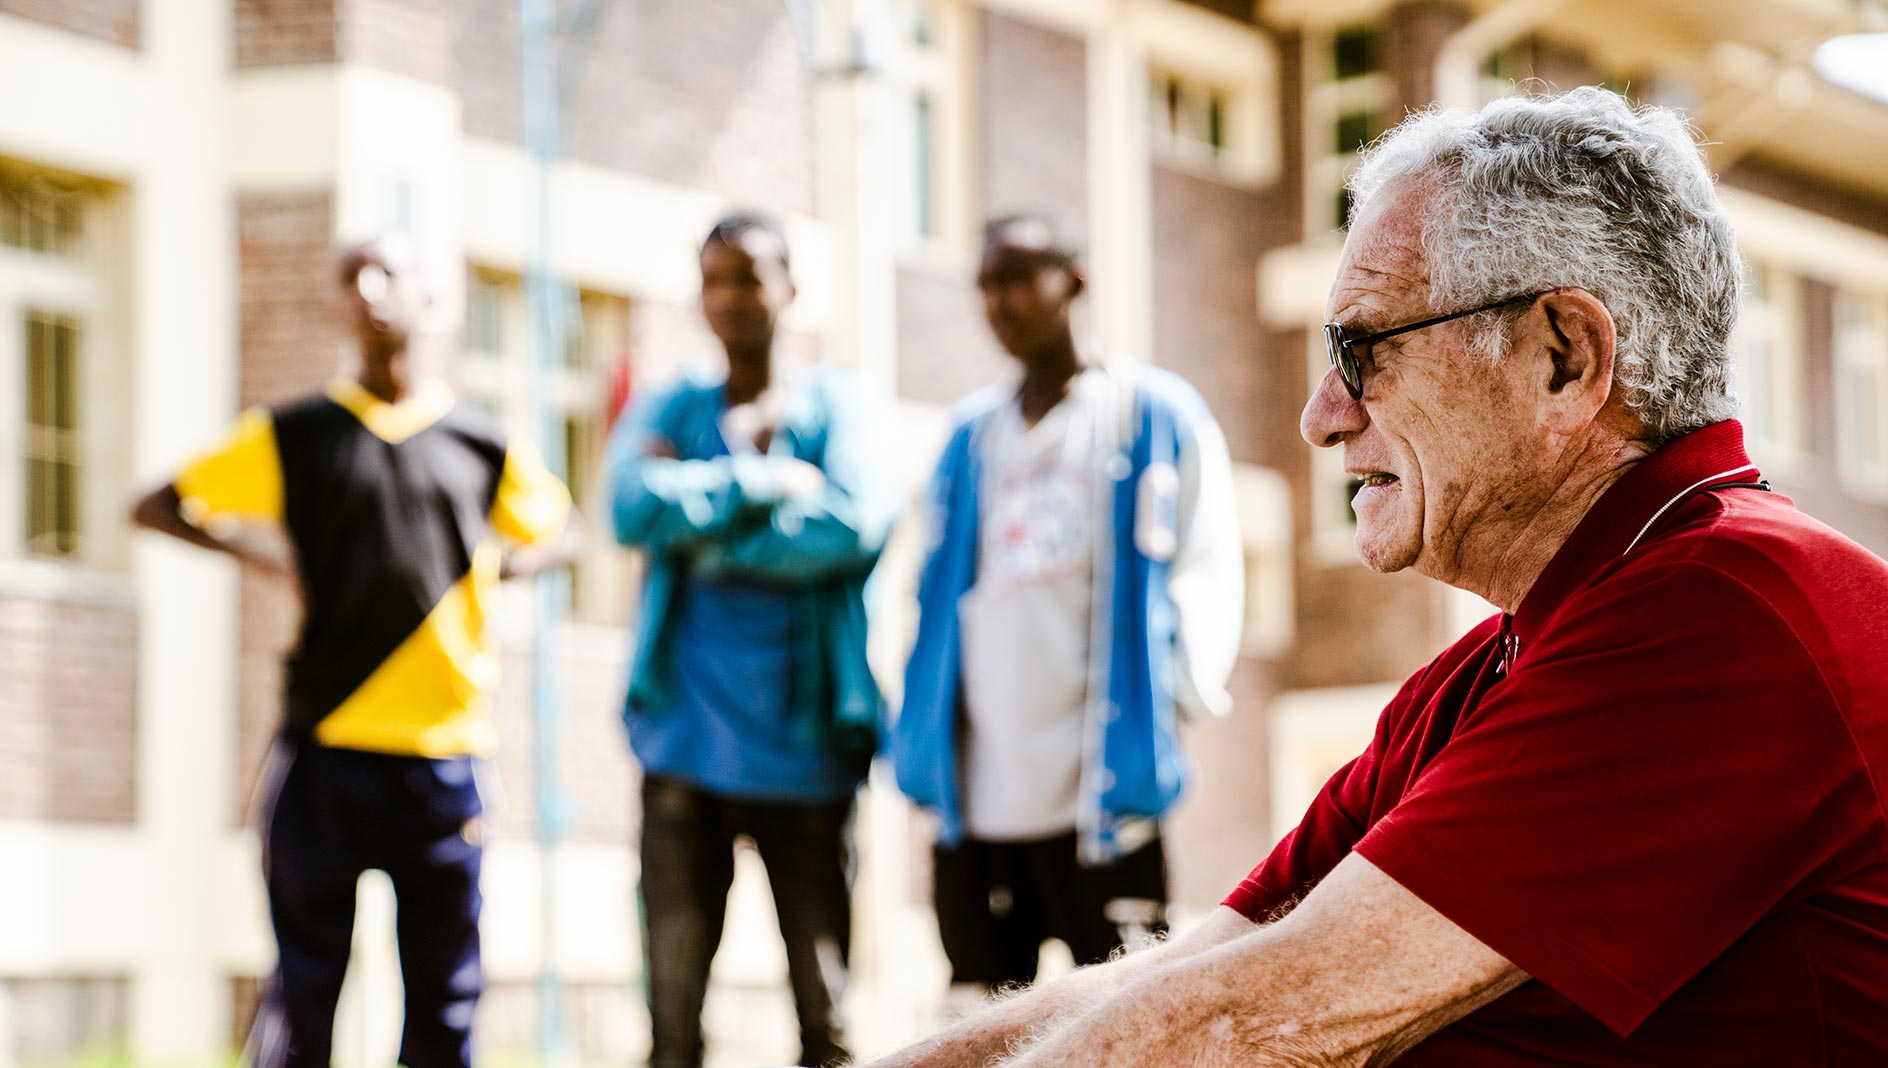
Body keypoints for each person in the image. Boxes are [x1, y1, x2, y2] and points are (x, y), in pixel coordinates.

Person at [865, 87, 1888, 1067]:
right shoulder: (1486, 673)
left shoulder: (1729, 609)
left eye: (1361, 349)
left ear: (1562, 359)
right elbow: (1190, 976)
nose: (1321, 415)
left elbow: (1242, 1027)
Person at [130, 234, 579, 1068]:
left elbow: (567, 531)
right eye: (351, 276)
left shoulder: (481, 444)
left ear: (433, 299)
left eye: (390, 272)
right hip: (325, 751)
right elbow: (158, 503)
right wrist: (264, 557)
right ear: (337, 304)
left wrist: (504, 565)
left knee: (445, 1007)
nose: (370, 289)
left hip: (446, 760)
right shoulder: (294, 435)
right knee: (305, 1001)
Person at [890, 215, 1245, 996]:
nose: (999, 301)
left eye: (1018, 276)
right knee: (980, 1032)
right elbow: (925, 597)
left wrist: (1172, 701)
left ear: (1074, 280)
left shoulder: (1151, 414)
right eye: (985, 283)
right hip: (978, 810)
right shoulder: (968, 438)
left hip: (1103, 807)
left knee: (1124, 1025)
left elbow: (1207, 561)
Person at [603, 212, 901, 1068]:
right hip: (682, 745)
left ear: (790, 288)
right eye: (714, 279)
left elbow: (854, 523)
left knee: (827, 1023)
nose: (731, 296)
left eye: (749, 276)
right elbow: (626, 507)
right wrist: (763, 480)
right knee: (670, 1026)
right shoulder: (672, 404)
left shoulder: (843, 404)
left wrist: (698, 528)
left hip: (806, 751)